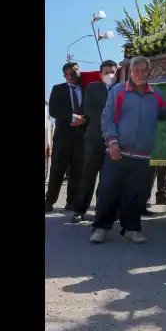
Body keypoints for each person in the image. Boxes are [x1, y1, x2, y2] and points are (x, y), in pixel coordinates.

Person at [90, 57, 166, 244]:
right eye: (137, 70)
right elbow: (107, 117)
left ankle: (132, 228)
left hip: (142, 154)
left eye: (145, 70)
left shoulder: (156, 94)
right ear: (130, 73)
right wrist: (112, 142)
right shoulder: (118, 91)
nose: (141, 74)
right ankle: (101, 227)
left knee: (136, 193)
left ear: (150, 73)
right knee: (108, 190)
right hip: (117, 151)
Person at [69, 60, 118, 224]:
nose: (110, 75)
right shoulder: (93, 88)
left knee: (108, 179)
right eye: (107, 72)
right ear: (100, 74)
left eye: (113, 71)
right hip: (95, 138)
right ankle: (80, 210)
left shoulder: (122, 89)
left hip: (114, 141)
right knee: (88, 176)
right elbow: (90, 110)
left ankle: (102, 211)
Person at [45, 62, 88, 213]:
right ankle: (49, 200)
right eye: (71, 72)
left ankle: (72, 202)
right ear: (65, 75)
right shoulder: (58, 89)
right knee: (58, 169)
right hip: (63, 136)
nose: (75, 74)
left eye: (76, 71)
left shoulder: (86, 89)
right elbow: (54, 111)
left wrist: (83, 120)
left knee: (77, 170)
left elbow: (91, 110)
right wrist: (73, 117)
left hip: (80, 137)